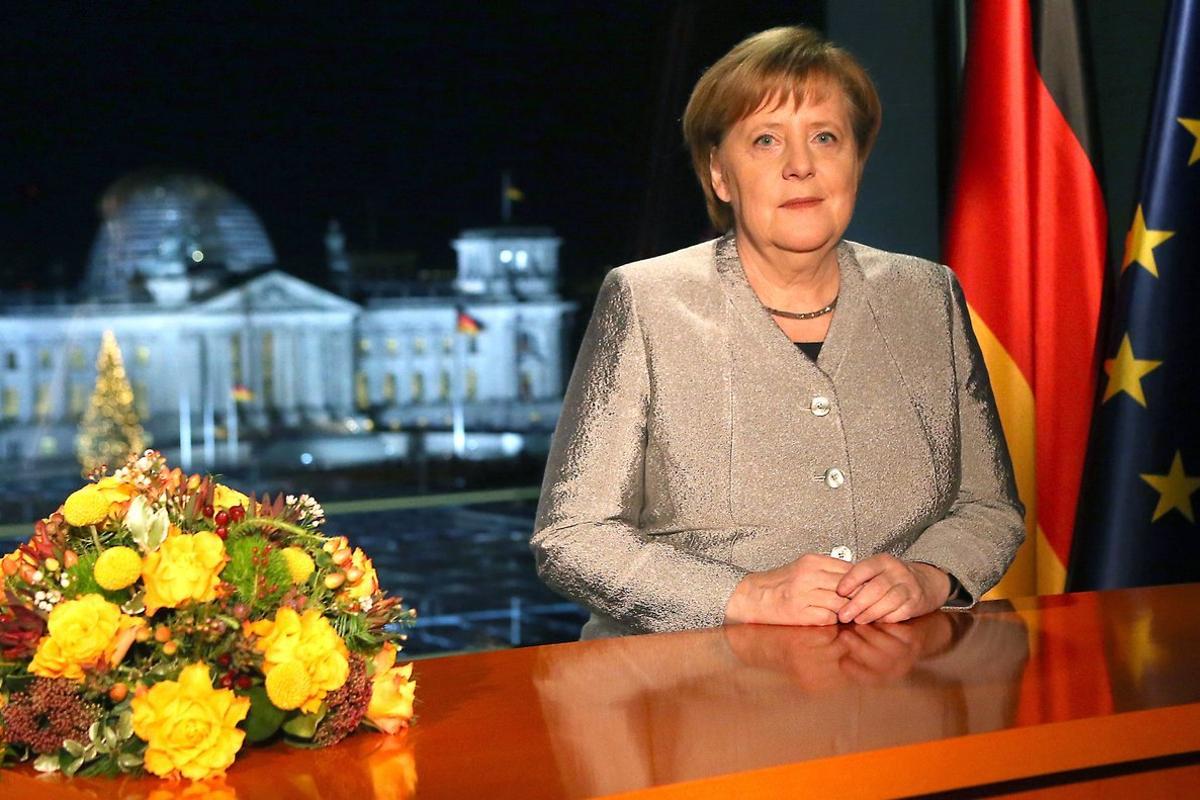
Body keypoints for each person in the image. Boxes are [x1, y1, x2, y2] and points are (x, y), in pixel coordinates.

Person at [531, 25, 1024, 639]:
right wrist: (741, 594)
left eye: (825, 137)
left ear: (856, 160)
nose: (800, 166)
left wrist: (929, 575)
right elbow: (572, 538)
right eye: (766, 140)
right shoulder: (645, 300)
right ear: (719, 175)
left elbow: (989, 507)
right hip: (697, 700)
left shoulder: (927, 295)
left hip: (903, 688)